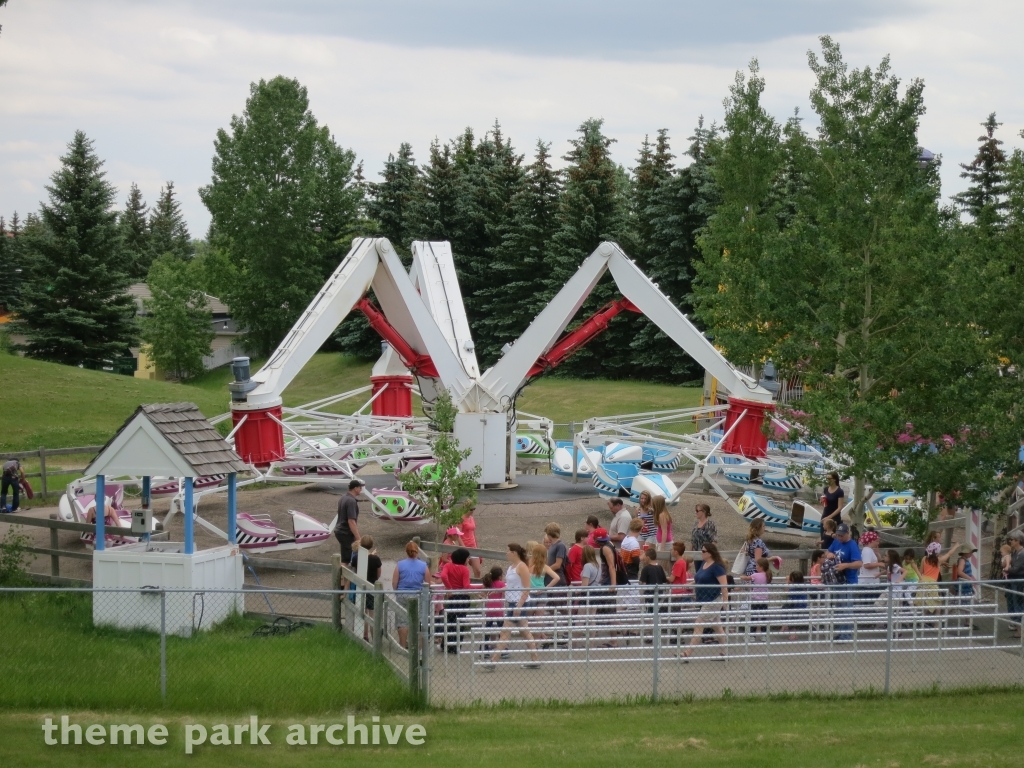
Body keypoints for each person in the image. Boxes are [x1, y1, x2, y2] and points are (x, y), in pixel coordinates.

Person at [483, 543, 541, 669]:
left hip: (519, 603)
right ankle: (535, 659)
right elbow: (511, 585)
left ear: (514, 553)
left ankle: (493, 661)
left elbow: (527, 588)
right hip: (512, 602)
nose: (506, 553)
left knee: (505, 631)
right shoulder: (511, 567)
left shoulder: (522, 567)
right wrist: (499, 590)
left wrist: (519, 605)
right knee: (525, 632)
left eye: (508, 551)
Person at [680, 542, 729, 660]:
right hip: (704, 599)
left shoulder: (717, 567)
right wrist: (689, 584)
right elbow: (699, 579)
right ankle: (724, 652)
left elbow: (724, 586)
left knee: (699, 623)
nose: (701, 553)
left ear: (710, 553)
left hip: (713, 600)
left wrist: (725, 602)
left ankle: (687, 652)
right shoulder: (704, 564)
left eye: (703, 551)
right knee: (717, 627)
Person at [826, 523, 863, 641]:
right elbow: (828, 552)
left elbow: (859, 563)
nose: (840, 538)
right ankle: (841, 632)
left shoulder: (852, 545)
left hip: (849, 580)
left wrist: (846, 565)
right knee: (839, 608)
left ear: (848, 534)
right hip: (837, 580)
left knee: (847, 609)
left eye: (842, 536)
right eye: (838, 535)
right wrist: (830, 554)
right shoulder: (836, 541)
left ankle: (846, 635)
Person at [392, 541, 429, 649]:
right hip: (418, 594)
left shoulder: (400, 564)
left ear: (406, 552)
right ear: (417, 551)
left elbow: (395, 582)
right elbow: (428, 582)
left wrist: (397, 591)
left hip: (402, 594)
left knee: (402, 620)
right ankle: (420, 647)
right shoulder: (423, 565)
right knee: (421, 619)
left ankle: (403, 645)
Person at [439, 548, 472, 653]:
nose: (468, 560)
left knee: (450, 620)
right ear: (463, 559)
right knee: (460, 622)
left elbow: (443, 576)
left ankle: (446, 645)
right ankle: (456, 647)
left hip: (452, 597)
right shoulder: (465, 569)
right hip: (463, 597)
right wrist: (480, 587)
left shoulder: (448, 566)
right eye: (467, 558)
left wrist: (450, 589)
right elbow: (466, 586)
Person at [335, 478, 364, 574]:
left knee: (345, 556)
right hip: (345, 532)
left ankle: (342, 581)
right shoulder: (351, 501)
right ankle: (342, 583)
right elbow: (351, 521)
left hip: (339, 530)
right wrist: (359, 539)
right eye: (360, 487)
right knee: (346, 559)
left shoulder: (343, 498)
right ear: (355, 488)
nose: (361, 489)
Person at [743, 557, 772, 639]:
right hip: (764, 599)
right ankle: (764, 635)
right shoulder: (767, 575)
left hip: (755, 599)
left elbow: (747, 578)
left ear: (761, 567)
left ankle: (752, 635)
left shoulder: (755, 575)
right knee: (763, 617)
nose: (756, 567)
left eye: (757, 565)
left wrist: (742, 577)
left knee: (754, 617)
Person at [1004, 532, 1024, 637]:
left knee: (1017, 604)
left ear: (1018, 541)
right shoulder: (1014, 553)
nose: (1010, 541)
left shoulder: (1022, 554)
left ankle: (1020, 630)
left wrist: (1007, 569)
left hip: (1018, 581)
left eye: (1012, 540)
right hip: (1013, 581)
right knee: (1012, 603)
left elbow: (1016, 569)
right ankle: (1017, 627)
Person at [638, 548, 668, 612]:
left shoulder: (646, 569)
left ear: (648, 557)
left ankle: (651, 620)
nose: (644, 558)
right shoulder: (660, 567)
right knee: (657, 611)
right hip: (659, 593)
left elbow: (643, 582)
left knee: (650, 611)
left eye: (645, 556)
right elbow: (664, 580)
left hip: (650, 595)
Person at [858, 530, 884, 605]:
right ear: (870, 541)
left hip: (871, 582)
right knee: (869, 604)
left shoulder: (870, 550)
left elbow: (876, 560)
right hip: (868, 582)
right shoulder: (867, 551)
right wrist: (879, 564)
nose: (878, 543)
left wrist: (877, 553)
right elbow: (867, 565)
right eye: (876, 541)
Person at [544, 523, 568, 588]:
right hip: (550, 580)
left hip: (558, 581)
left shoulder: (560, 545)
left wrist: (545, 570)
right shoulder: (552, 545)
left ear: (549, 534)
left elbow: (558, 564)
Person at [460, 508, 482, 578]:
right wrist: (463, 547)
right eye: (471, 509)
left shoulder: (471, 518)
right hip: (465, 545)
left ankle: (476, 586)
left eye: (473, 509)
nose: (472, 511)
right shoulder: (461, 519)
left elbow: (473, 532)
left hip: (473, 546)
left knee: (478, 570)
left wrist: (477, 547)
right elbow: (458, 535)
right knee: (464, 570)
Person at [669, 541, 691, 606]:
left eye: (672, 549)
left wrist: (663, 577)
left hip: (676, 591)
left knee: (671, 611)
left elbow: (672, 579)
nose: (671, 550)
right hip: (680, 590)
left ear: (676, 552)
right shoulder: (683, 561)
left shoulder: (678, 563)